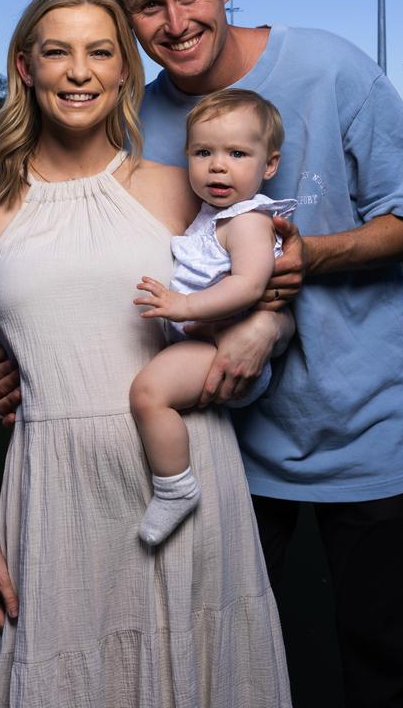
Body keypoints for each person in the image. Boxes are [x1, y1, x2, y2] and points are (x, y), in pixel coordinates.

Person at [0, 0, 403, 708]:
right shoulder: (135, 125)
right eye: (148, 6)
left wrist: (298, 263)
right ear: (128, 19)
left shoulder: (330, 68)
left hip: (362, 431)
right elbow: (106, 267)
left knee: (387, 669)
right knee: (211, 667)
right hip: (219, 447)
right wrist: (25, 359)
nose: (175, 21)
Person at [0, 0, 292, 708]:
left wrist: (266, 325)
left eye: (100, 51)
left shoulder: (181, 187)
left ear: (124, 68)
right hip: (58, 490)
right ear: (24, 66)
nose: (79, 70)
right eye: (57, 52)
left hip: (188, 478)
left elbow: (271, 283)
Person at [131, 88, 297, 546]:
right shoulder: (212, 215)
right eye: (203, 152)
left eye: (237, 154)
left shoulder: (249, 220)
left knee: (148, 394)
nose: (217, 165)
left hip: (220, 348)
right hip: (201, 340)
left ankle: (175, 487)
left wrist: (182, 306)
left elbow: (248, 284)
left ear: (270, 165)